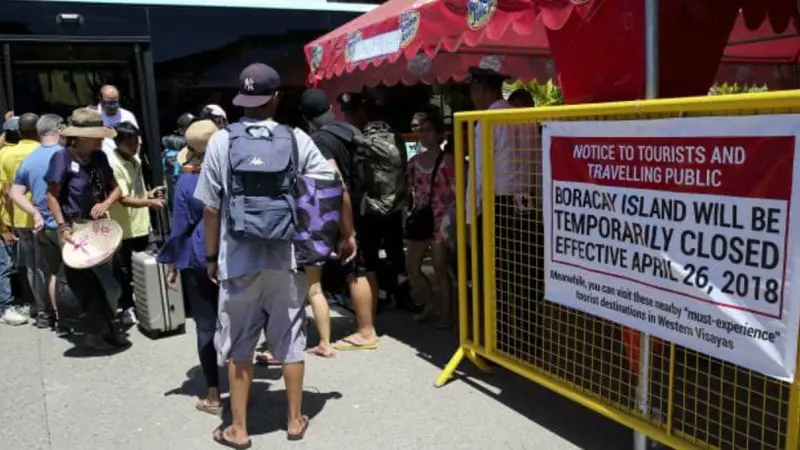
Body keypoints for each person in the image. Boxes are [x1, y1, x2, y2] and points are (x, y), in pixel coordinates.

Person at [195, 63, 335, 447]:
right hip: (285, 257)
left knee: (240, 341)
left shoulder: (221, 141)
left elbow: (210, 208)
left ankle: (238, 429)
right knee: (290, 336)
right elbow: (325, 187)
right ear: (276, 98)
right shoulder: (296, 139)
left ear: (242, 98)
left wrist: (211, 258)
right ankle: (294, 420)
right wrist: (325, 243)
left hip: (237, 258)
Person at [329, 91, 408, 350]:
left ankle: (370, 317)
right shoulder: (394, 135)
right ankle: (399, 294)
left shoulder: (360, 140)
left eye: (350, 112)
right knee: (395, 254)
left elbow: (358, 177)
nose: (349, 116)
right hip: (394, 206)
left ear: (360, 112)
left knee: (367, 264)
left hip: (369, 209)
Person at [45, 107, 129, 351]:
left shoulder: (100, 158)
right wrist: (62, 227)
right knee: (88, 286)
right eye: (96, 135)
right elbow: (52, 196)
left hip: (99, 229)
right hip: (73, 227)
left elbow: (116, 189)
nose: (101, 139)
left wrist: (106, 203)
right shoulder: (62, 158)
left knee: (111, 286)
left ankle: (108, 328)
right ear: (81, 136)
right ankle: (97, 333)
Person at [158, 119, 222, 415]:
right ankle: (242, 385)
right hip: (237, 255)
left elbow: (180, 227)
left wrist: (173, 262)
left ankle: (213, 393)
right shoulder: (234, 174)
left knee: (206, 325)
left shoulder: (186, 182)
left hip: (199, 256)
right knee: (241, 323)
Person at [298, 88, 359, 358]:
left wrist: (347, 231)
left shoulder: (319, 141)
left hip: (326, 220)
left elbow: (337, 182)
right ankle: (364, 325)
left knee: (312, 288)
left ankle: (323, 343)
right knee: (357, 271)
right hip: (361, 207)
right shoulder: (350, 130)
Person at [9, 114, 64, 330]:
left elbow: (15, 192)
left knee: (48, 272)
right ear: (59, 129)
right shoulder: (65, 155)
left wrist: (35, 213)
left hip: (42, 224)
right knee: (74, 271)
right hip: (67, 224)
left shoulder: (30, 160)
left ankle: (53, 317)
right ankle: (76, 316)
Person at [108, 121, 165, 326]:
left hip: (142, 224)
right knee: (124, 270)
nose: (134, 148)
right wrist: (150, 202)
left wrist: (149, 194)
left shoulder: (135, 159)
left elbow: (135, 192)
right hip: (123, 227)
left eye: (136, 143)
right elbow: (122, 198)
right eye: (130, 144)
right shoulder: (114, 165)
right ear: (118, 143)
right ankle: (126, 308)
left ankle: (149, 305)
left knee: (146, 267)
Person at [405, 107, 455, 328]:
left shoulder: (448, 160)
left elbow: (458, 190)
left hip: (441, 220)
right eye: (421, 131)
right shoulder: (414, 161)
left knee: (440, 268)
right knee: (412, 266)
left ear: (439, 134)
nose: (424, 135)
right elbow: (409, 190)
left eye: (428, 131)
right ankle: (430, 305)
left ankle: (447, 313)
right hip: (421, 218)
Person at [0, 113, 40, 318]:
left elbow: (7, 193)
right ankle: (53, 307)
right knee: (49, 264)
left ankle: (37, 305)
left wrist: (8, 222)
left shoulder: (5, 155)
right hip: (44, 215)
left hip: (20, 217)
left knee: (30, 265)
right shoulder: (44, 151)